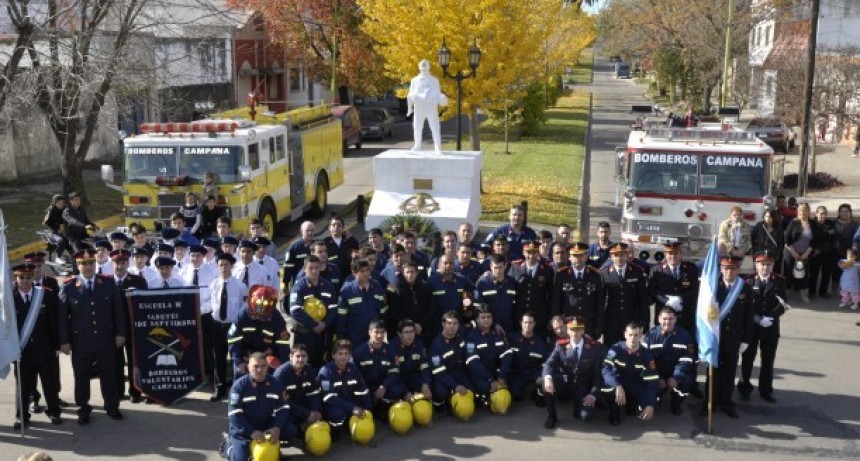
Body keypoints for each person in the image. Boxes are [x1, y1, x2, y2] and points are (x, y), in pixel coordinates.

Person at [58, 249, 126, 424]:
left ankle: (112, 406)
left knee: (108, 374)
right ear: (77, 265)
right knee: (81, 377)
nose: (88, 267)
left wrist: (120, 333)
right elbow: (63, 318)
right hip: (81, 341)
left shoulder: (108, 283)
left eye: (91, 263)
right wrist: (64, 341)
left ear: (95, 264)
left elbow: (118, 311)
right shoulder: (68, 287)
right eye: (84, 263)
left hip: (105, 339)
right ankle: (83, 409)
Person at [12, 263, 62, 429]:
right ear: (16, 278)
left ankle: (54, 412)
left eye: (29, 277)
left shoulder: (46, 295)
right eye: (22, 277)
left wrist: (57, 346)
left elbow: (54, 322)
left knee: (49, 384)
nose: (25, 280)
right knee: (23, 387)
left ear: (33, 277)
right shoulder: (8, 298)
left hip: (45, 349)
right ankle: (22, 416)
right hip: (22, 351)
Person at [223, 352, 295, 461]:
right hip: (243, 430)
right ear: (248, 367)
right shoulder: (239, 387)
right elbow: (234, 414)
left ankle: (272, 448)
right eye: (255, 366)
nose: (259, 370)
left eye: (263, 366)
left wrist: (277, 427)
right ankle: (227, 445)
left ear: (267, 367)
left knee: (291, 430)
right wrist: (251, 432)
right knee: (240, 459)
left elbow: (283, 408)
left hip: (265, 424)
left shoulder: (276, 384)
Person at [707, 256, 754, 419]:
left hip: (733, 339)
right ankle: (710, 402)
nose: (729, 272)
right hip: (715, 338)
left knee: (729, 372)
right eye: (726, 268)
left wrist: (746, 340)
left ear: (738, 270)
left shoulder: (745, 288)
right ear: (721, 269)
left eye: (733, 268)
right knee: (712, 371)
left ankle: (727, 403)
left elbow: (749, 316)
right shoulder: (713, 286)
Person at [738, 251, 788, 403]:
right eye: (762, 264)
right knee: (747, 359)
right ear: (756, 265)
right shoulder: (747, 281)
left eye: (768, 264)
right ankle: (744, 389)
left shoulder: (779, 281)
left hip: (770, 327)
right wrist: (757, 318)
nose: (765, 267)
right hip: (752, 327)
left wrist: (771, 317)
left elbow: (783, 304)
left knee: (768, 360)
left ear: (772, 265)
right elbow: (743, 304)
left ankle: (765, 390)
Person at [541, 316, 604, 428]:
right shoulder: (560, 345)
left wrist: (593, 394)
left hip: (584, 386)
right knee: (546, 383)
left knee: (587, 416)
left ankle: (578, 405)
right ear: (568, 330)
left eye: (578, 329)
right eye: (572, 329)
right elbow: (549, 364)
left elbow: (597, 375)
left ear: (583, 331)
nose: (575, 333)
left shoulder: (594, 347)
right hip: (567, 383)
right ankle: (552, 416)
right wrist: (548, 379)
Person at [208, 253, 249, 401]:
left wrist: (238, 323)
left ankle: (236, 388)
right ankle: (219, 387)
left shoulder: (240, 286)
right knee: (218, 357)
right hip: (217, 325)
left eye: (226, 264)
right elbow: (213, 304)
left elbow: (244, 306)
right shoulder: (214, 284)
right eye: (220, 265)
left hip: (233, 325)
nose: (223, 268)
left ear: (232, 266)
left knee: (235, 357)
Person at [110, 250, 149, 403]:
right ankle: (117, 391)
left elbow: (144, 306)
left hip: (133, 328)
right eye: (116, 262)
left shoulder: (138, 281)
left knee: (134, 361)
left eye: (123, 262)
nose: (119, 265)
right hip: (113, 329)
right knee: (115, 361)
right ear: (112, 263)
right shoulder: (106, 282)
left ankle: (135, 391)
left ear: (128, 263)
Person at [601, 322, 659, 425]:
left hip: (634, 383)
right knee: (607, 388)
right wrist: (617, 385)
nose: (633, 338)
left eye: (636, 335)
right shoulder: (616, 348)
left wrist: (651, 405)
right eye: (630, 335)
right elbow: (605, 369)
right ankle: (614, 409)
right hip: (618, 381)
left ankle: (631, 402)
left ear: (641, 336)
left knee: (651, 406)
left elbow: (652, 381)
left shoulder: (646, 355)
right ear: (625, 335)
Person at [228, 285, 291, 379]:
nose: (260, 317)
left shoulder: (277, 318)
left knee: (278, 375)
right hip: (245, 356)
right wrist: (238, 361)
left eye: (263, 316)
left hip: (267, 356)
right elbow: (233, 339)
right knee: (239, 374)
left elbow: (283, 343)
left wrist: (284, 366)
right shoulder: (242, 316)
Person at [642, 308, 696, 415]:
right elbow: (646, 360)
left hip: (676, 371)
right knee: (646, 380)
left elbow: (687, 359)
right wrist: (657, 377)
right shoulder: (650, 335)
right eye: (664, 319)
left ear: (675, 319)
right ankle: (656, 398)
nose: (667, 322)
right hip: (657, 371)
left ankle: (676, 402)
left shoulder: (684, 335)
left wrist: (676, 377)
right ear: (659, 319)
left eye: (670, 319)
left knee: (688, 381)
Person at [289, 255, 339, 368]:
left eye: (316, 267)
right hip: (304, 334)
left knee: (321, 363)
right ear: (304, 268)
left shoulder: (328, 286)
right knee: (302, 364)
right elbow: (295, 311)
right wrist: (313, 325)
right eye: (310, 268)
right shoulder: (299, 287)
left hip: (323, 333)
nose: (314, 271)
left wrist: (324, 324)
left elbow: (333, 309)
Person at [318, 340, 372, 437]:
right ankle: (335, 431)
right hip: (333, 405)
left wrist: (367, 409)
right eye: (340, 354)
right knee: (336, 414)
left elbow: (363, 390)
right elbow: (329, 398)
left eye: (346, 354)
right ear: (333, 355)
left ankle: (349, 424)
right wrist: (352, 408)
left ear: (350, 355)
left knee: (367, 404)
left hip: (349, 402)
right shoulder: (325, 372)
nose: (343, 357)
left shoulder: (354, 369)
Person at [353, 319, 405, 417]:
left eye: (382, 332)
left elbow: (394, 372)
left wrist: (384, 386)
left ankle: (384, 410)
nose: (380, 335)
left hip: (382, 385)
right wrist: (365, 391)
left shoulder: (390, 350)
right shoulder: (359, 352)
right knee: (367, 407)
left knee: (396, 391)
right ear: (369, 333)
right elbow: (354, 376)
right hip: (365, 387)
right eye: (376, 332)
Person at [600, 243, 651, 344]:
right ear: (611, 256)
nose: (619, 258)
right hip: (611, 322)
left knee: (632, 349)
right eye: (616, 255)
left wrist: (645, 322)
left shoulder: (637, 271)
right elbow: (600, 300)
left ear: (627, 255)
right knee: (611, 350)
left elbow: (643, 299)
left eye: (622, 255)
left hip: (631, 321)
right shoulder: (604, 273)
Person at [428, 311, 479, 411]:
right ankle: (441, 403)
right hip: (443, 374)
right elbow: (439, 372)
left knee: (472, 390)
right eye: (449, 323)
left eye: (455, 323)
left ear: (459, 325)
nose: (452, 327)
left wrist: (495, 325)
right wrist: (455, 386)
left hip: (459, 372)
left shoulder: (461, 333)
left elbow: (477, 323)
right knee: (441, 392)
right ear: (443, 324)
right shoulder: (436, 345)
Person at [553, 242, 604, 339]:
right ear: (569, 257)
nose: (578, 258)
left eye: (581, 255)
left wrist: (598, 328)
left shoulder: (595, 275)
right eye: (575, 255)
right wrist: (558, 325)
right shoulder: (561, 275)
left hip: (589, 326)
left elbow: (600, 304)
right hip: (568, 325)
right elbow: (556, 302)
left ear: (586, 257)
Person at [463, 305, 512, 407]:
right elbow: (473, 362)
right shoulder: (471, 336)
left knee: (507, 391)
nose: (486, 320)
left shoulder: (498, 333)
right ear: (477, 320)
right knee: (487, 387)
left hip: (494, 371)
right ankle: (482, 395)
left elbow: (507, 354)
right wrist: (490, 379)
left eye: (489, 317)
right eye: (483, 317)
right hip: (479, 373)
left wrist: (502, 376)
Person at [648, 242, 699, 335]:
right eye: (670, 253)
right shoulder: (656, 270)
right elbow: (652, 291)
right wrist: (666, 300)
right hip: (664, 317)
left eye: (676, 253)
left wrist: (680, 298)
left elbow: (696, 290)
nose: (673, 256)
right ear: (665, 255)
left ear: (681, 254)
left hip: (685, 316)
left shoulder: (691, 269)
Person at [337, 259, 388, 347]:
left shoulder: (377, 286)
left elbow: (384, 312)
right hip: (355, 336)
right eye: (362, 271)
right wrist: (341, 337)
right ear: (354, 273)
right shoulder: (346, 291)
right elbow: (341, 317)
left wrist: (384, 332)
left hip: (375, 335)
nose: (366, 274)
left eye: (367, 270)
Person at [508, 241, 554, 340]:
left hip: (539, 316)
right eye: (528, 252)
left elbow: (551, 295)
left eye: (534, 252)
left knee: (539, 342)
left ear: (538, 253)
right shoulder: (515, 267)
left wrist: (550, 315)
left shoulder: (547, 270)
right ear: (523, 252)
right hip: (519, 315)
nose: (531, 256)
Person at [273, 345, 324, 431]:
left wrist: (316, 410)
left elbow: (314, 393)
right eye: (297, 356)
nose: (300, 359)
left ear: (307, 357)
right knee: (291, 429)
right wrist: (306, 414)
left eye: (303, 356)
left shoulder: (309, 370)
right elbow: (281, 402)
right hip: (286, 409)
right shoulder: (281, 374)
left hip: (302, 405)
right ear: (291, 357)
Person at [387, 262, 436, 345]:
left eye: (412, 272)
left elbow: (431, 308)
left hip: (424, 329)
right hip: (405, 331)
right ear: (403, 274)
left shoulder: (426, 288)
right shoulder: (397, 291)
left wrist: (421, 324)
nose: (410, 275)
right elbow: (396, 312)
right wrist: (412, 325)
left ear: (417, 273)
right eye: (407, 272)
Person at [507, 312, 549, 403]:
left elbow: (546, 362)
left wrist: (544, 377)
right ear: (521, 323)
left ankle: (537, 391)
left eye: (530, 323)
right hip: (517, 372)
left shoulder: (540, 343)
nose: (527, 325)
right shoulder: (511, 339)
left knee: (544, 394)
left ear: (534, 324)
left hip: (534, 372)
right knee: (516, 395)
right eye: (525, 322)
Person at [407, 59, 448, 153]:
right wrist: (412, 99)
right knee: (417, 127)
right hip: (419, 107)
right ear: (419, 68)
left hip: (431, 107)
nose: (424, 69)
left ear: (429, 67)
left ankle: (437, 147)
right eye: (422, 67)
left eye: (425, 67)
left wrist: (441, 97)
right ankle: (417, 145)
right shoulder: (414, 80)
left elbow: (438, 93)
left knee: (435, 127)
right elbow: (411, 93)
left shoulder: (434, 80)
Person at [784, 203, 822, 303]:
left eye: (804, 210)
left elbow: (815, 241)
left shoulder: (813, 224)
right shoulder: (794, 222)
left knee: (804, 273)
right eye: (800, 210)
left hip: (806, 252)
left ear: (808, 211)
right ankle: (785, 294)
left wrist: (806, 253)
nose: (802, 212)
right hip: (791, 250)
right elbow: (787, 239)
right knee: (788, 272)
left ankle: (803, 294)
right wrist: (793, 252)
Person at [475, 254, 518, 335]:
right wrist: (494, 324)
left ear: (505, 266)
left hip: (510, 326)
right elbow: (479, 308)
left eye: (500, 267)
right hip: (489, 328)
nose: (498, 271)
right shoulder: (483, 283)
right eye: (495, 268)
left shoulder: (512, 282)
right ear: (491, 267)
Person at [390, 319, 433, 401]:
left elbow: (425, 366)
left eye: (412, 332)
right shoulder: (392, 347)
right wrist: (405, 392)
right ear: (399, 334)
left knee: (429, 387)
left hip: (413, 376)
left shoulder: (419, 343)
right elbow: (393, 374)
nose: (410, 335)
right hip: (398, 378)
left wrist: (425, 384)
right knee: (395, 391)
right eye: (406, 332)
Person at [428, 254, 473, 330]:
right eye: (445, 263)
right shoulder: (431, 282)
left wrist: (467, 309)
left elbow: (469, 294)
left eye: (451, 263)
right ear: (439, 265)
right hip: (437, 326)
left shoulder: (462, 280)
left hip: (458, 324)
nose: (448, 266)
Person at [810, 206, 838, 299]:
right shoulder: (812, 223)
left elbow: (834, 234)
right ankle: (812, 292)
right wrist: (827, 233)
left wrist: (823, 234)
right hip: (815, 252)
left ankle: (823, 292)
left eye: (825, 213)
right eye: (821, 213)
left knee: (826, 274)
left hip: (828, 252)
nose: (823, 216)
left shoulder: (830, 223)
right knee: (814, 273)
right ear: (816, 214)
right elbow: (814, 237)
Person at [324, 216, 360, 280]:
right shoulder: (325, 243)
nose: (336, 227)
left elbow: (358, 252)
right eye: (333, 225)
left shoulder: (351, 241)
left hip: (349, 275)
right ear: (329, 227)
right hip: (332, 276)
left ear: (343, 228)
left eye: (339, 225)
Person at [751, 209, 785, 275]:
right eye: (766, 216)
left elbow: (781, 243)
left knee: (773, 273)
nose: (768, 218)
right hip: (760, 252)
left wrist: (778, 254)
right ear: (764, 217)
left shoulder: (778, 228)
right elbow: (752, 237)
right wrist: (755, 249)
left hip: (773, 254)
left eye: (770, 217)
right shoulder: (759, 226)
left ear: (774, 217)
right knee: (760, 271)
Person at [284, 221, 316, 287]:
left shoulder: (318, 245)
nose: (310, 233)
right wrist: (286, 283)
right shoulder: (295, 247)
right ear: (301, 231)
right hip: (299, 283)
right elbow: (288, 266)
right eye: (307, 230)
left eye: (312, 230)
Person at [42, 194, 71, 263]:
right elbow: (46, 223)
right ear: (54, 203)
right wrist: (57, 230)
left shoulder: (66, 209)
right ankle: (58, 257)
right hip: (52, 232)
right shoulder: (51, 211)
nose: (61, 205)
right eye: (59, 203)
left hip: (64, 230)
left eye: (62, 203)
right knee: (61, 241)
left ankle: (73, 256)